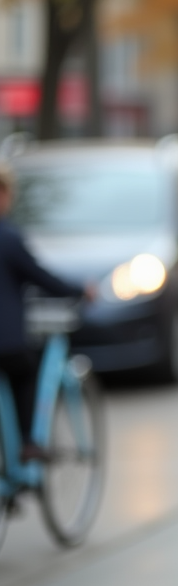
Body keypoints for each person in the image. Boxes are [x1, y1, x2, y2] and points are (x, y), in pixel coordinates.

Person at [0, 162, 88, 464]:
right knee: (27, 373)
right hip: (6, 344)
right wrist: (79, 291)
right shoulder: (8, 237)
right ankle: (28, 442)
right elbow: (40, 277)